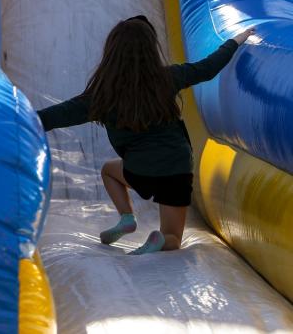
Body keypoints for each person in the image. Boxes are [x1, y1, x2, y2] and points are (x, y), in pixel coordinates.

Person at [37, 15, 255, 255]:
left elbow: (58, 115)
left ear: (112, 53)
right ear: (151, 50)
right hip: (177, 168)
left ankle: (127, 218)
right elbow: (208, 68)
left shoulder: (103, 95)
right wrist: (237, 40)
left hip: (140, 170)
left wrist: (18, 117)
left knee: (109, 171)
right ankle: (160, 239)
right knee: (173, 237)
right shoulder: (168, 78)